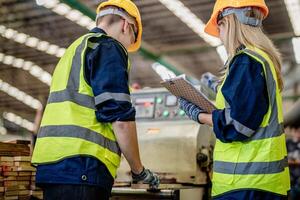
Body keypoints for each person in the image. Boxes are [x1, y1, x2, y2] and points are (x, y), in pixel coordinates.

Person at [31, 0, 159, 199]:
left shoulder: (74, 50)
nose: (128, 47)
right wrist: (138, 170)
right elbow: (120, 119)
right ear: (126, 25)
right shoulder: (108, 47)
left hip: (52, 167)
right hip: (83, 166)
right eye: (132, 39)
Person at [178, 0, 290, 199]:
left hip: (246, 183)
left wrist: (199, 115)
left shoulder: (247, 61)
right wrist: (220, 85)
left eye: (219, 26)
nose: (219, 35)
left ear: (228, 22)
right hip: (258, 183)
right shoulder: (258, 60)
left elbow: (238, 124)